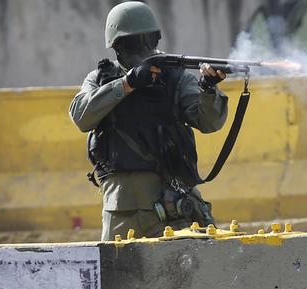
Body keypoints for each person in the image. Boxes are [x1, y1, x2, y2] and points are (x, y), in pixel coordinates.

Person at [69, 2, 229, 241]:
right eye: (134, 42)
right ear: (118, 46)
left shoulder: (174, 77)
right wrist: (127, 84)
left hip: (173, 202)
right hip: (123, 210)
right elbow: (81, 116)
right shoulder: (101, 78)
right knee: (118, 273)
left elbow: (210, 122)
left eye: (147, 40)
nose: (142, 48)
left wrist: (207, 88)